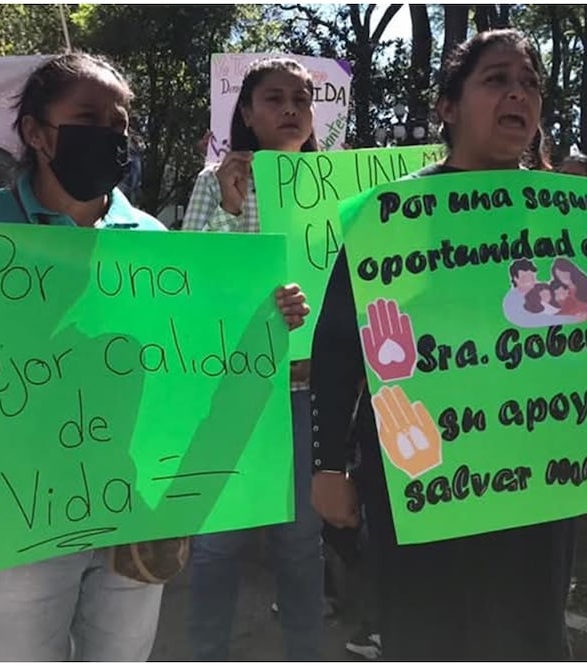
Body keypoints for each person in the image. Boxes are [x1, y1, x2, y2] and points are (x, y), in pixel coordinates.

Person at [0, 52, 309, 662]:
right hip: (15, 519)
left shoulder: (154, 243)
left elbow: (192, 370)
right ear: (37, 132)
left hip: (133, 514)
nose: (110, 135)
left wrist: (266, 325)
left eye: (120, 123)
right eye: (89, 118)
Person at [308, 30, 587, 661]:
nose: (518, 94)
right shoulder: (393, 214)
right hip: (419, 484)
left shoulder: (574, 219)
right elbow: (337, 347)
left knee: (529, 643)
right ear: (448, 107)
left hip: (536, 493)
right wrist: (329, 467)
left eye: (530, 84)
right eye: (497, 79)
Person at [180, 57, 324, 662]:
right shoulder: (217, 181)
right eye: (274, 98)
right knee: (217, 543)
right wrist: (232, 207)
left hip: (306, 395)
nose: (290, 108)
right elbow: (190, 282)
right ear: (246, 111)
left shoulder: (332, 187)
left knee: (302, 542)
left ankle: (306, 652)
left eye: (302, 98)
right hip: (233, 392)